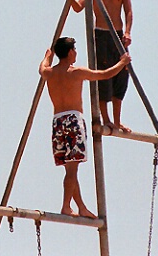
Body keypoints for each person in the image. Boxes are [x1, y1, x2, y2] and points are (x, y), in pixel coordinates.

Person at [39, 37, 131, 218]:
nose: (76, 53)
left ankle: (80, 206)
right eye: (74, 49)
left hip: (58, 121)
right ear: (70, 52)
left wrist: (47, 57)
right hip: (73, 121)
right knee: (72, 171)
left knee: (70, 170)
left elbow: (41, 68)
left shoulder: (49, 73)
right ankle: (66, 205)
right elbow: (104, 74)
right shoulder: (76, 72)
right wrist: (122, 62)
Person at [65, 0, 133, 133]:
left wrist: (127, 32)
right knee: (103, 75)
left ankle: (117, 121)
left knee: (122, 75)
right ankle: (106, 119)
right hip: (101, 35)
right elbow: (79, 8)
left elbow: (128, 11)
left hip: (118, 35)